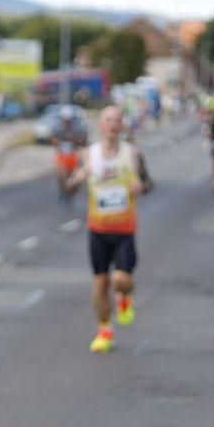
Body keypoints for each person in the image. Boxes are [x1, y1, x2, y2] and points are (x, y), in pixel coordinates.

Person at [65, 106, 144, 354]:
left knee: (121, 280)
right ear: (100, 125)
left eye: (117, 120)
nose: (113, 124)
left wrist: (140, 186)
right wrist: (79, 177)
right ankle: (104, 332)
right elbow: (69, 187)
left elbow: (148, 183)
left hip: (124, 229)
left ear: (122, 125)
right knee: (100, 284)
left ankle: (124, 297)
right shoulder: (89, 154)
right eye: (108, 120)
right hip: (98, 229)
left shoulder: (132, 153)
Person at [52, 106, 82, 205]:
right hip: (61, 154)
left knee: (73, 177)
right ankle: (63, 192)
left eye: (68, 120)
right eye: (65, 120)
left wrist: (73, 139)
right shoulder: (57, 127)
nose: (67, 123)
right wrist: (57, 142)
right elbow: (53, 140)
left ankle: (70, 193)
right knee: (61, 175)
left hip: (72, 154)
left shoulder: (76, 128)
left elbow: (82, 141)